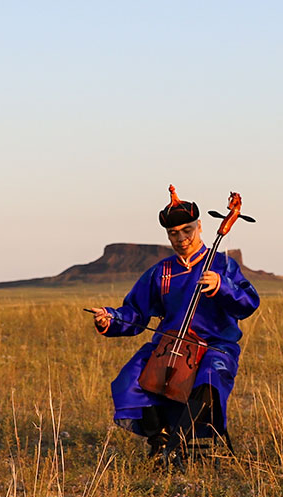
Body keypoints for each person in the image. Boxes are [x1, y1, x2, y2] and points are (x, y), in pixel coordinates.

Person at [87, 187, 259, 465]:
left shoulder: (223, 264)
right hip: (168, 344)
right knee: (131, 377)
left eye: (187, 231)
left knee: (210, 380)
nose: (181, 239)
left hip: (215, 346)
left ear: (200, 226)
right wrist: (111, 318)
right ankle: (160, 440)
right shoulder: (161, 271)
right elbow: (135, 312)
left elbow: (249, 302)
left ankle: (177, 445)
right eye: (174, 233)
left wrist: (222, 286)